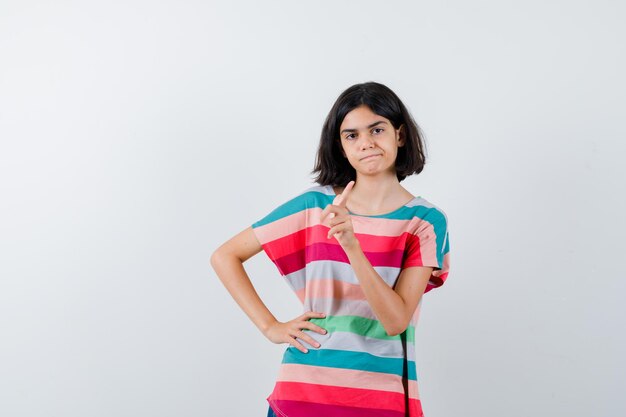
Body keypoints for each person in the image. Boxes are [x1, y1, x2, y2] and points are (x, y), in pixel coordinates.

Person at [210, 81, 451, 417]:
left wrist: (352, 245)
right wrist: (271, 327)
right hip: (301, 395)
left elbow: (396, 320)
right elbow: (225, 256)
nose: (365, 143)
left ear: (399, 135)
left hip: (380, 400)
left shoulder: (424, 221)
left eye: (376, 129)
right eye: (351, 135)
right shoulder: (314, 207)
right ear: (340, 145)